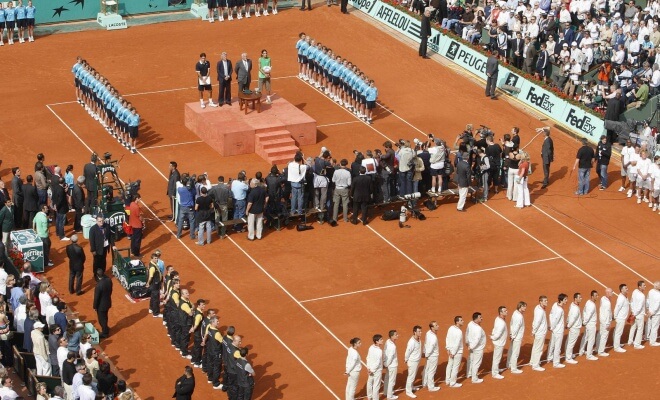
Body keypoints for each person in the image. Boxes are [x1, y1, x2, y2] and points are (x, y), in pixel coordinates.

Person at [547, 294, 568, 368]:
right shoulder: (560, 310)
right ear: (561, 300)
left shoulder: (554, 304)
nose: (566, 301)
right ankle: (556, 363)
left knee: (552, 344)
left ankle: (549, 358)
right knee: (557, 347)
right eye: (565, 299)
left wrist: (551, 325)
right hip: (558, 330)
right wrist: (552, 327)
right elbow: (556, 320)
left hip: (554, 330)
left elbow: (550, 315)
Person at [466, 312, 486, 383]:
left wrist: (467, 343)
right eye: (480, 317)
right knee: (476, 363)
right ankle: (474, 379)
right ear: (476, 318)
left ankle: (469, 374)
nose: (482, 318)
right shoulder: (478, 329)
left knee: (471, 360)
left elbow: (467, 333)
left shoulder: (470, 323)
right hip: (477, 348)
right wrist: (471, 346)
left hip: (471, 346)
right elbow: (477, 340)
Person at [579, 290, 599, 360]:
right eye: (596, 295)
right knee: (591, 339)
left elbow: (584, 311)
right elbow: (589, 315)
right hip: (591, 324)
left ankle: (581, 351)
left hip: (588, 324)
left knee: (585, 337)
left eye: (597, 295)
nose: (597, 297)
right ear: (592, 296)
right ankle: (589, 355)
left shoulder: (588, 302)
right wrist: (584, 322)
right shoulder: (592, 305)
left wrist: (584, 321)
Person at [93, 268, 113, 339]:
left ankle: (105, 333)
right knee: (105, 316)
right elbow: (111, 291)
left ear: (98, 276)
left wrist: (95, 306)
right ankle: (106, 328)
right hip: (108, 302)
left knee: (102, 319)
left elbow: (96, 298)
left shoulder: (98, 286)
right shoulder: (109, 280)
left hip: (101, 306)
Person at [420, 321, 440, 392]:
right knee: (432, 371)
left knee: (427, 369)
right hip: (433, 356)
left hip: (428, 355)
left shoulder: (428, 333)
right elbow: (431, 347)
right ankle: (431, 387)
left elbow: (425, 343)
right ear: (432, 328)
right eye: (436, 325)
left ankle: (424, 383)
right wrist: (427, 354)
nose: (438, 326)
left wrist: (424, 352)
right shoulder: (433, 338)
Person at [530, 295, 548, 371]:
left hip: (538, 332)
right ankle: (535, 365)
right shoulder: (540, 311)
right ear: (540, 302)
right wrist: (534, 331)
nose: (547, 302)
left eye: (547, 300)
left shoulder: (537, 307)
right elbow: (537, 322)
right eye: (545, 301)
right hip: (540, 333)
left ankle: (532, 361)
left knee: (535, 347)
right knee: (539, 349)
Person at [507, 301, 526, 373]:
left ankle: (509, 364)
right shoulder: (519, 316)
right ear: (520, 307)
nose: (525, 308)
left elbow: (511, 324)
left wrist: (511, 334)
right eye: (524, 306)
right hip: (517, 337)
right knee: (515, 353)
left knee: (511, 351)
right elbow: (517, 327)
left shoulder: (515, 313)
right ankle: (513, 368)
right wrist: (513, 336)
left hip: (513, 335)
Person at [404, 325, 422, 397]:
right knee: (411, 376)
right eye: (419, 331)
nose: (421, 332)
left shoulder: (418, 339)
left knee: (413, 375)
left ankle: (411, 387)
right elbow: (407, 352)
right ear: (414, 332)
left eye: (421, 331)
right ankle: (408, 391)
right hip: (412, 362)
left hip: (417, 361)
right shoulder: (411, 342)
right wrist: (406, 359)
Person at [564, 293, 582, 364]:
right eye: (579, 297)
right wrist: (569, 325)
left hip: (572, 327)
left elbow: (569, 315)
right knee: (571, 343)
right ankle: (568, 358)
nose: (581, 298)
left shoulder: (572, 305)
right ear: (575, 299)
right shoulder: (575, 309)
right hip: (575, 328)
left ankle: (568, 355)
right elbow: (573, 319)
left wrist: (567, 323)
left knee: (569, 341)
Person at [628, 281, 646, 349]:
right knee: (640, 329)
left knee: (633, 327)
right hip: (639, 315)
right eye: (644, 285)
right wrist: (634, 314)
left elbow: (631, 301)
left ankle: (630, 341)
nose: (645, 286)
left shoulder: (634, 291)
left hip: (634, 313)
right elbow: (640, 307)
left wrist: (632, 312)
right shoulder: (642, 296)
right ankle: (637, 344)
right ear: (639, 287)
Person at [490, 306, 507, 379]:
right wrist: (493, 337)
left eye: (506, 310)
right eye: (505, 311)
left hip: (498, 342)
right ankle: (495, 373)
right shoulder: (501, 323)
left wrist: (493, 336)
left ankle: (496, 370)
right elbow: (498, 333)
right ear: (501, 312)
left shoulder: (498, 318)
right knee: (497, 358)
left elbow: (494, 329)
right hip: (499, 342)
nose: (507, 311)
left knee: (497, 357)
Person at [365, 334, 384, 400]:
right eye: (381, 339)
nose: (382, 340)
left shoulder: (371, 347)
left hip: (370, 369)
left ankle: (369, 397)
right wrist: (372, 370)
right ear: (377, 341)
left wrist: (368, 368)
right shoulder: (379, 351)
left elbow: (368, 358)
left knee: (369, 383)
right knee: (376, 386)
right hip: (376, 370)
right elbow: (377, 362)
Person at [613, 283, 630, 352]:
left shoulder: (625, 296)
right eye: (626, 288)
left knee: (617, 332)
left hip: (622, 317)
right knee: (618, 332)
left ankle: (616, 344)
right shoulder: (621, 298)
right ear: (622, 290)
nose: (627, 289)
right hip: (620, 318)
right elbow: (617, 308)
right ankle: (616, 347)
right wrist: (615, 317)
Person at [382, 330, 399, 399]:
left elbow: (384, 351)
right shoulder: (392, 347)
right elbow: (391, 357)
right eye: (396, 335)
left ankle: (385, 392)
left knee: (387, 378)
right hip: (392, 365)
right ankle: (390, 396)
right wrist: (386, 364)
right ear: (392, 336)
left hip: (387, 364)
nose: (397, 335)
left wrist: (384, 362)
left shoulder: (387, 341)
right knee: (392, 381)